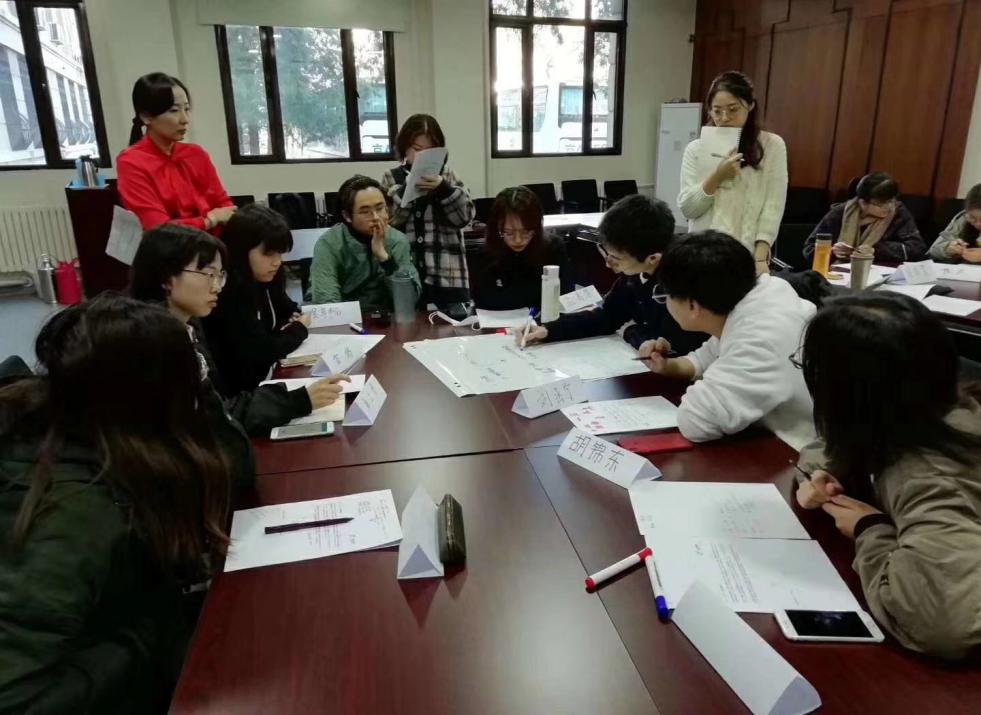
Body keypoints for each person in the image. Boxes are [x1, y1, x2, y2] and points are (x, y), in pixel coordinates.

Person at [0, 295, 242, 713]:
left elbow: (235, 469)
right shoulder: (72, 514)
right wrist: (144, 637)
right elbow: (15, 697)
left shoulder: (93, 432)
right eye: (190, 380)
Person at [794, 292, 981, 659]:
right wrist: (820, 473)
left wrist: (870, 529)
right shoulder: (925, 410)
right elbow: (827, 443)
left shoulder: (927, 473)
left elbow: (944, 622)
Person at [131, 223, 346, 435]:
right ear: (166, 277)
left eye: (220, 275)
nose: (217, 286)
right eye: (208, 274)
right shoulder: (151, 343)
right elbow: (213, 419)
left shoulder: (188, 324)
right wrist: (298, 400)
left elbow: (218, 405)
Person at [642, 230, 816, 449]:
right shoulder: (762, 294)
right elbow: (707, 357)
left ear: (693, 306)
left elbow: (695, 422)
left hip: (802, 452)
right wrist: (670, 366)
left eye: (667, 295)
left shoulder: (758, 339)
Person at [520, 195, 707, 356]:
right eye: (606, 253)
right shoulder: (635, 273)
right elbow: (607, 316)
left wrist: (631, 331)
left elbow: (675, 342)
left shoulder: (684, 280)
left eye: (616, 258)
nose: (607, 263)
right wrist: (548, 330)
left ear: (653, 259)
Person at [677, 71, 787, 275]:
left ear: (750, 105)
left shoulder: (772, 146)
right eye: (717, 111)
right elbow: (688, 209)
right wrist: (718, 176)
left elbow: (773, 207)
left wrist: (760, 257)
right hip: (701, 255)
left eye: (733, 109)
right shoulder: (695, 149)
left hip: (747, 257)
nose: (724, 118)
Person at [203, 205, 317, 394]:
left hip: (267, 378)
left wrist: (291, 321)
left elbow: (288, 308)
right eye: (268, 254)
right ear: (241, 250)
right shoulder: (225, 292)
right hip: (241, 392)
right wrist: (298, 329)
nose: (277, 262)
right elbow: (261, 351)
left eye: (280, 253)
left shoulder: (266, 275)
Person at [117, 73, 235, 234]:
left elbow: (224, 205)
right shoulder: (131, 162)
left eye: (186, 109)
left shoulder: (196, 154)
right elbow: (159, 228)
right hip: (170, 248)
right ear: (146, 117)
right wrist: (210, 219)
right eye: (174, 110)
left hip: (213, 245)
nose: (185, 119)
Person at [381, 114, 474, 310]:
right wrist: (407, 189)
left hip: (448, 277)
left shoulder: (448, 175)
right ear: (405, 147)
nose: (422, 156)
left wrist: (445, 190)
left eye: (430, 150)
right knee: (408, 326)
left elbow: (465, 217)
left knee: (452, 327)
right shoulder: (392, 177)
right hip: (407, 276)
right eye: (417, 149)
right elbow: (390, 222)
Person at [310, 175, 420, 312]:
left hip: (388, 318)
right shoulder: (329, 243)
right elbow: (327, 302)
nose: (376, 217)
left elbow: (409, 301)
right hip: (347, 317)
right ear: (347, 216)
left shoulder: (397, 240)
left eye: (380, 208)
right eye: (365, 212)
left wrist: (385, 259)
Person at [470, 186, 573, 310]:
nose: (518, 240)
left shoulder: (553, 248)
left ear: (537, 227)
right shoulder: (485, 253)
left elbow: (566, 294)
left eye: (526, 232)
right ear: (496, 228)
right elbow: (481, 299)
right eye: (509, 232)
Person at [804, 172, 926, 264]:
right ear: (863, 203)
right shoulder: (840, 213)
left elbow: (917, 249)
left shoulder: (898, 212)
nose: (889, 207)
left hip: (882, 275)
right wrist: (832, 252)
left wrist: (876, 250)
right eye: (881, 203)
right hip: (838, 274)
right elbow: (809, 249)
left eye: (891, 201)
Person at [929, 184, 981, 263]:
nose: (978, 224)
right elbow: (932, 251)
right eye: (972, 218)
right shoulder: (963, 219)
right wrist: (948, 248)